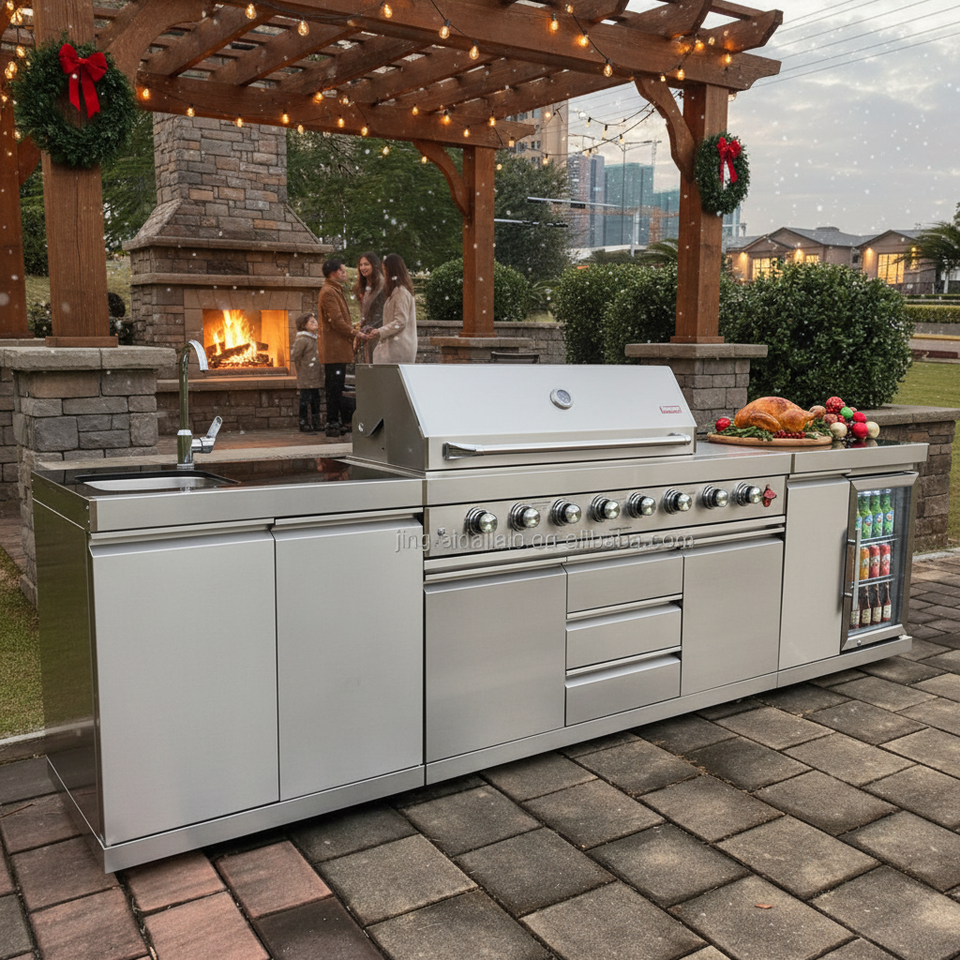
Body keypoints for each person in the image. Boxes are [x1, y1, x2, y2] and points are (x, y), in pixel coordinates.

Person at [318, 258, 357, 437]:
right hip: (334, 350)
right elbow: (337, 321)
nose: (345, 273)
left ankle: (337, 422)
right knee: (334, 388)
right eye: (342, 270)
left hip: (337, 349)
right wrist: (354, 333)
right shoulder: (329, 291)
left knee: (336, 387)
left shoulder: (334, 289)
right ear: (333, 273)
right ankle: (332, 422)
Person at [366, 253, 417, 364]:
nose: (383, 273)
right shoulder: (397, 292)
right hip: (395, 347)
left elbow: (400, 321)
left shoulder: (400, 293)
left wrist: (380, 331)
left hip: (398, 349)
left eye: (384, 269)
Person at [290, 312, 321, 432]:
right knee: (305, 400)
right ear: (304, 325)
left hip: (316, 375)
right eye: (311, 322)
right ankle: (303, 423)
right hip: (306, 375)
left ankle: (316, 422)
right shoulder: (302, 339)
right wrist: (303, 366)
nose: (315, 323)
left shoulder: (316, 338)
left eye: (315, 320)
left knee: (316, 400)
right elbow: (295, 355)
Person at [354, 251, 385, 364]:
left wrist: (367, 330)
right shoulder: (365, 286)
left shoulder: (381, 286)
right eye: (361, 265)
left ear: (374, 265)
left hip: (378, 333)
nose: (363, 268)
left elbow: (381, 313)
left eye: (366, 264)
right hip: (366, 333)